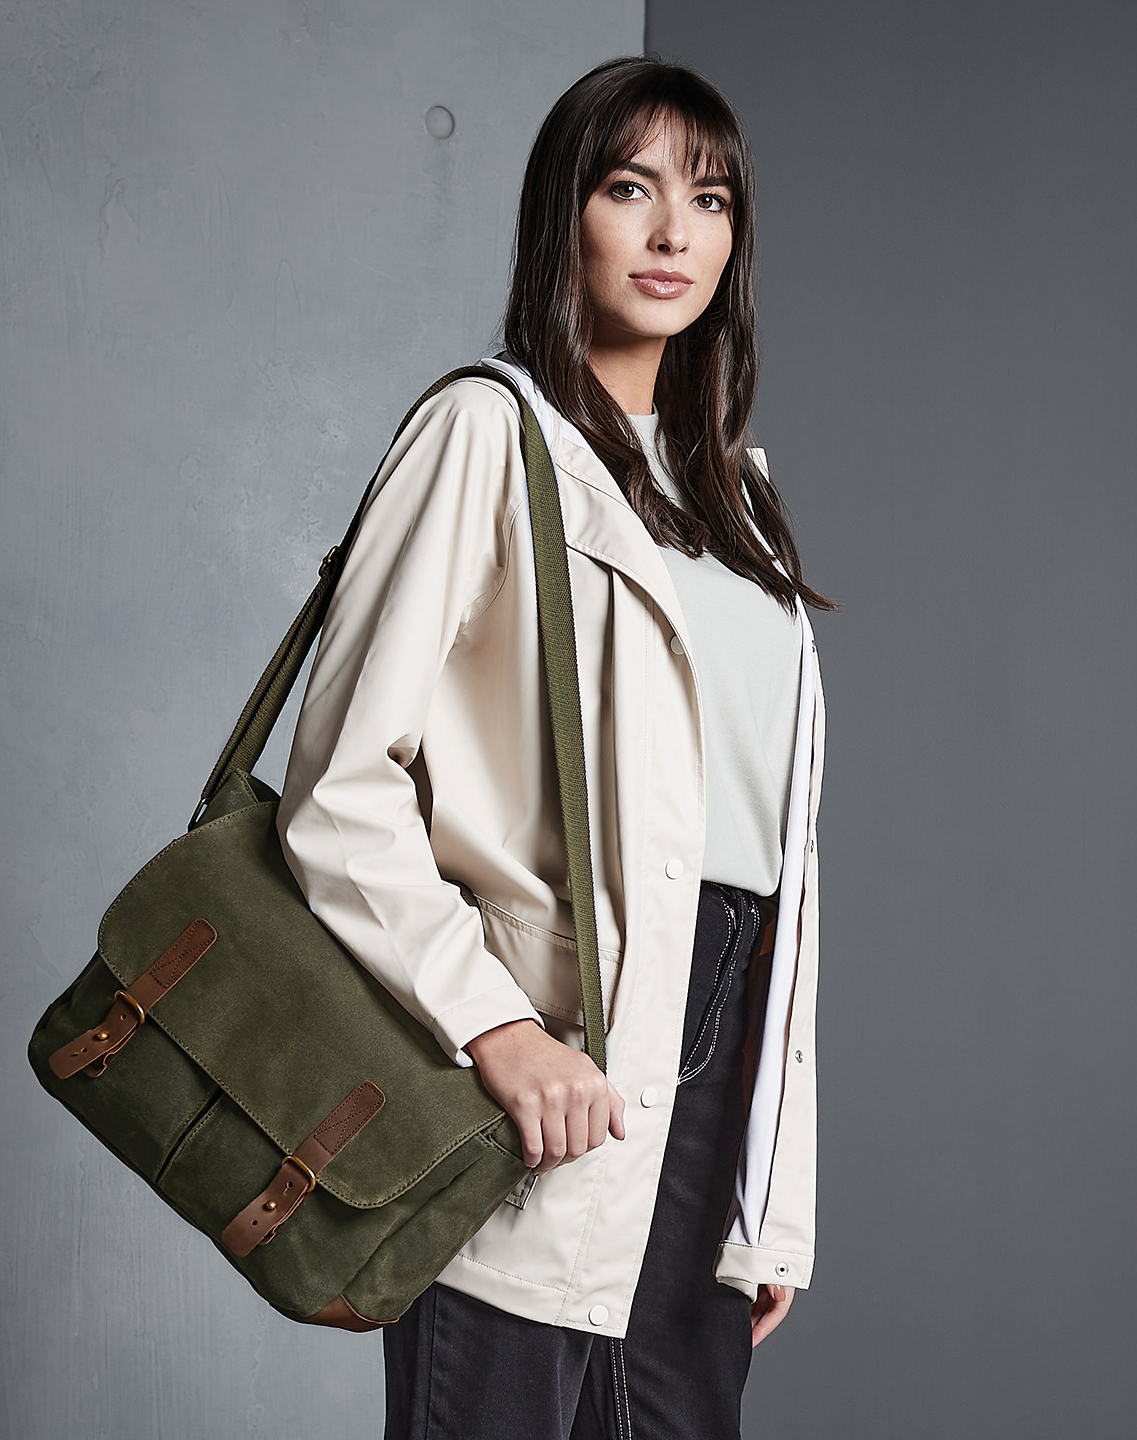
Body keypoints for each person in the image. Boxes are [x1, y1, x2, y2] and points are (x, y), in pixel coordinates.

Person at [277, 55, 832, 1440]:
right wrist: (497, 1030)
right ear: (562, 214)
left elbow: (774, 863)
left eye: (709, 199)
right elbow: (339, 789)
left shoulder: (739, 496)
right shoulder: (486, 432)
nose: (672, 233)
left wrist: (767, 1189)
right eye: (630, 189)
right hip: (545, 1062)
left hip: (715, 1077)